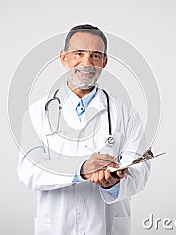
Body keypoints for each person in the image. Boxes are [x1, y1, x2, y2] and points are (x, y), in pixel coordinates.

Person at [18, 24, 151, 235]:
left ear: (104, 62)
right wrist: (80, 170)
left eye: (95, 56)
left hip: (106, 227)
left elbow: (140, 172)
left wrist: (112, 184)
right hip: (56, 227)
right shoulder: (37, 112)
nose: (86, 63)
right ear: (64, 58)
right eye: (78, 53)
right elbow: (29, 171)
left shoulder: (125, 113)